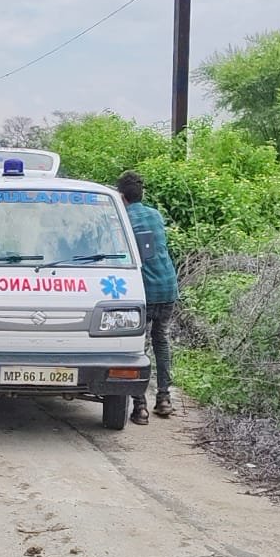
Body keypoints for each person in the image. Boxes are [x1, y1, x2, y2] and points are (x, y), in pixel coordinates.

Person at [116, 171, 179, 424]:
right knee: (161, 340)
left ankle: (139, 407)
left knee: (137, 347)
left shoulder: (120, 217)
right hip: (167, 287)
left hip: (143, 292)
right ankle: (164, 398)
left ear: (121, 196)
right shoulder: (155, 215)